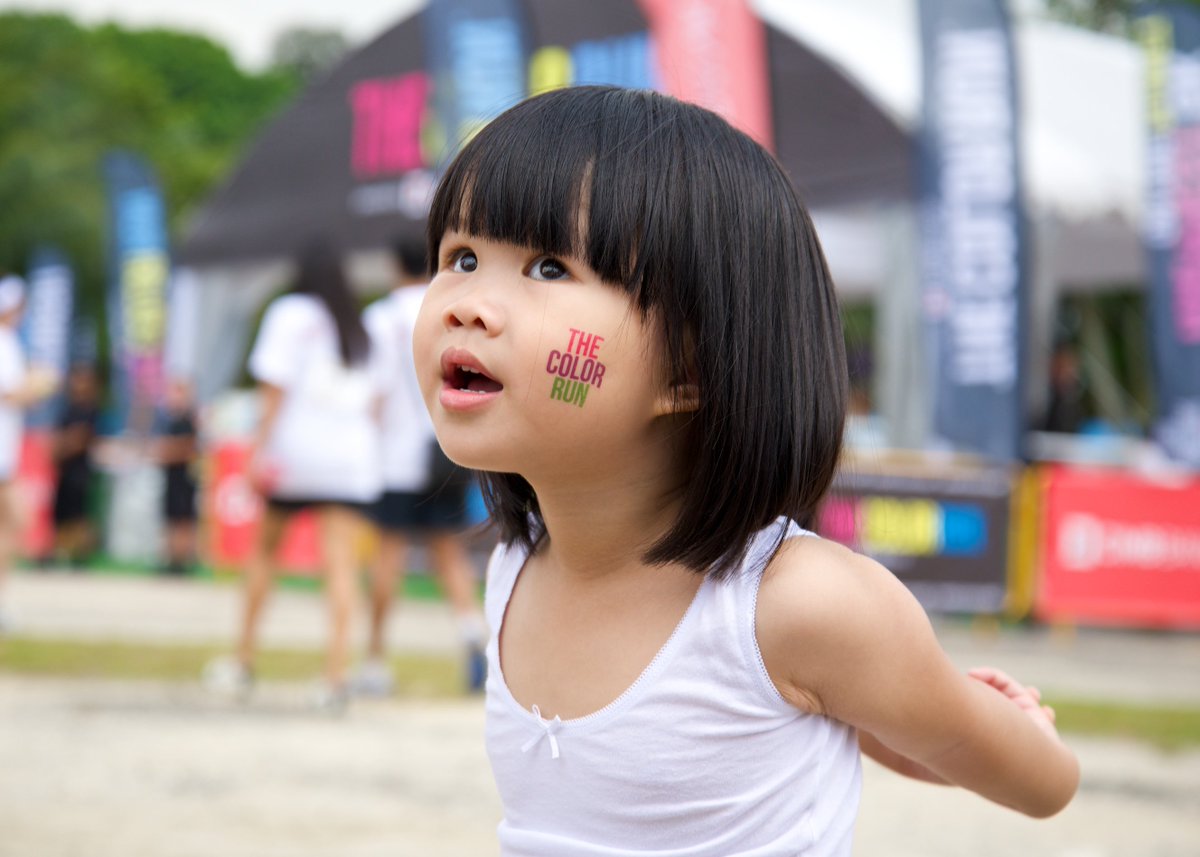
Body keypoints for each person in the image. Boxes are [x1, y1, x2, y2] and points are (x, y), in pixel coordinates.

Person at [411, 87, 1079, 853]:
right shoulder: (513, 568)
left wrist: (1006, 728)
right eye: (461, 258)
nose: (468, 306)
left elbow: (1037, 780)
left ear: (688, 369)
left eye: (550, 267)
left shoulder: (798, 604)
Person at [204, 239, 381, 713]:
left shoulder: (289, 314)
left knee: (264, 554)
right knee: (341, 568)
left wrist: (256, 452)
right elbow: (375, 401)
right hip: (350, 459)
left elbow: (272, 392)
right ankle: (336, 677)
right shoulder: (358, 325)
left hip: (295, 455)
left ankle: (242, 661)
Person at [358, 236, 488, 697]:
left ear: (394, 265)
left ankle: (374, 661)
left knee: (388, 556)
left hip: (394, 455)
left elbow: (373, 393)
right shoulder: (446, 308)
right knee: (448, 552)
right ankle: (473, 632)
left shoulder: (380, 317)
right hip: (444, 448)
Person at [0, 274, 58, 631]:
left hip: (5, 452)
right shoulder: (4, 342)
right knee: (15, 522)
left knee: (11, 525)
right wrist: (40, 386)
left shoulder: (10, 343)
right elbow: (10, 393)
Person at [50, 364, 100, 568]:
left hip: (80, 472)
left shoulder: (90, 410)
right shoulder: (67, 409)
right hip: (65, 471)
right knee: (62, 513)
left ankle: (81, 555)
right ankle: (62, 553)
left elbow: (81, 438)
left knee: (79, 514)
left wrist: (64, 444)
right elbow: (59, 441)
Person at [154, 378, 199, 576]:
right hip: (171, 478)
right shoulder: (170, 420)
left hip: (184, 478)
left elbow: (188, 448)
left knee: (183, 519)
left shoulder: (188, 420)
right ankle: (171, 558)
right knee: (171, 518)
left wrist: (166, 452)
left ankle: (182, 560)